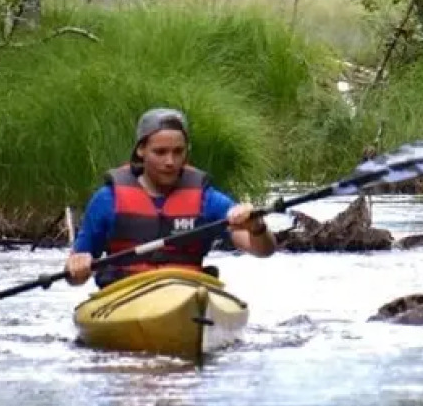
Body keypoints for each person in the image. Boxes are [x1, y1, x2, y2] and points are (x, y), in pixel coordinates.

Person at [65, 107, 276, 288]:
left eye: (178, 152)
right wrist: (77, 266)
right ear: (141, 150)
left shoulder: (206, 199)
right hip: (126, 295)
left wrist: (256, 227)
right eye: (160, 152)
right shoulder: (107, 200)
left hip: (187, 293)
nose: (170, 161)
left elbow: (263, 250)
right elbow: (75, 277)